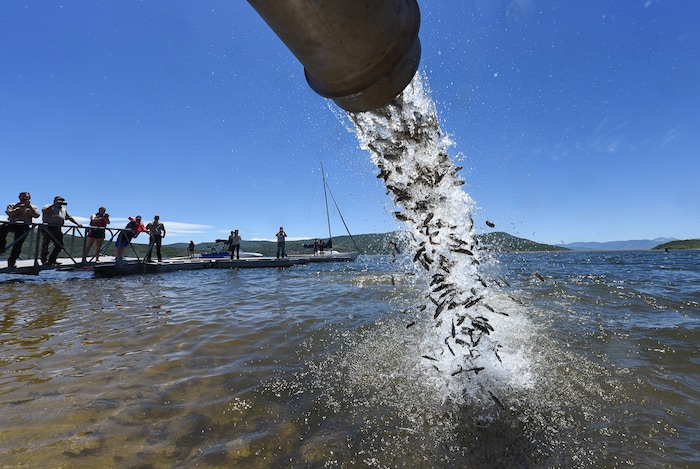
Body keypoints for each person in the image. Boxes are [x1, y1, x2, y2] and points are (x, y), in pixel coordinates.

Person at [0, 192, 40, 268]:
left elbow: (37, 215)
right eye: (23, 197)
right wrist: (18, 209)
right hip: (13, 224)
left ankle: (12, 262)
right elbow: (9, 213)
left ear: (29, 198)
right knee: (3, 227)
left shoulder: (33, 207)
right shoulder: (12, 205)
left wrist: (30, 208)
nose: (25, 199)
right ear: (19, 197)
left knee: (18, 244)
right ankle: (1, 245)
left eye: (26, 197)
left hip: (24, 226)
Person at [41, 196, 82, 266]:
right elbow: (44, 211)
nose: (61, 202)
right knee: (46, 244)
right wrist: (54, 205)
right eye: (59, 200)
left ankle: (52, 260)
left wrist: (77, 224)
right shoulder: (49, 206)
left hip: (58, 227)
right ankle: (44, 260)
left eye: (62, 201)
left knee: (60, 244)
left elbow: (69, 217)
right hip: (48, 227)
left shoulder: (63, 209)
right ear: (55, 200)